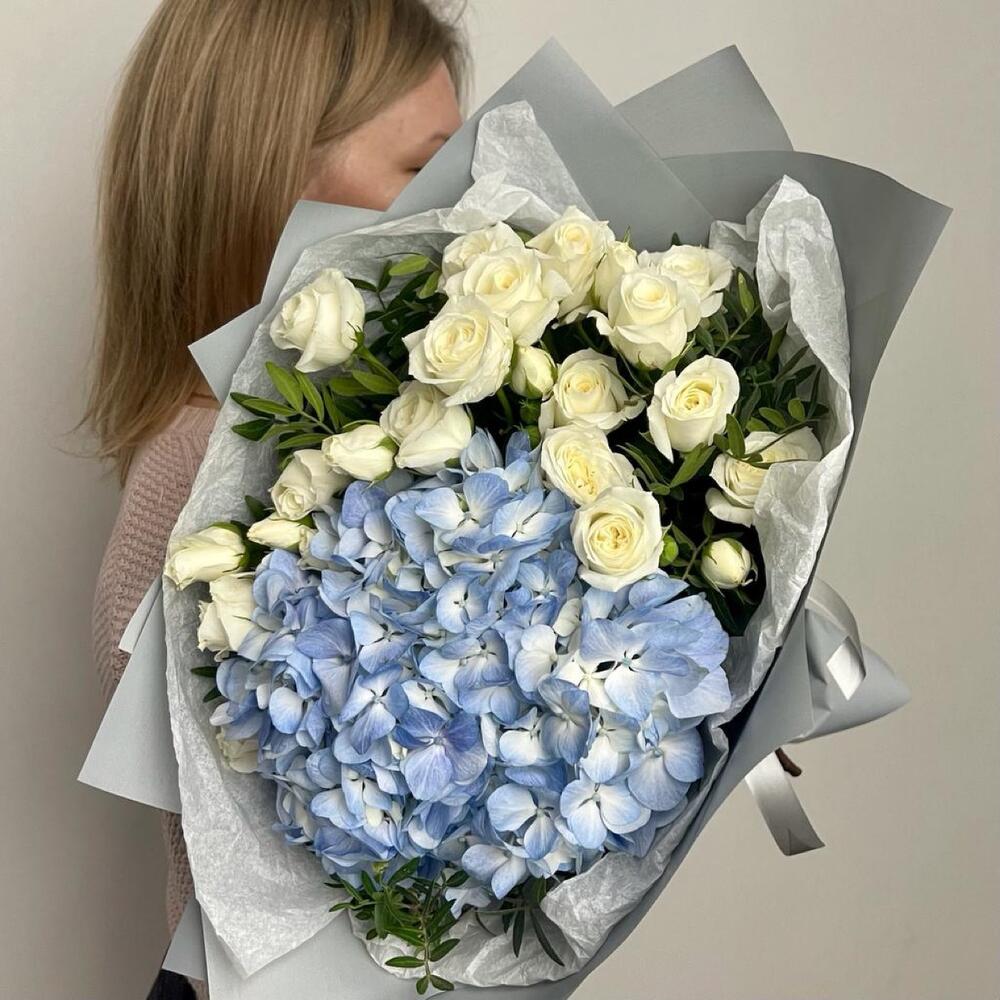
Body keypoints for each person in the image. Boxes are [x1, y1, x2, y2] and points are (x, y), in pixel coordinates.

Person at [83, 2, 465, 996]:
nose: (474, 201)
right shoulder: (205, 477)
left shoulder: (346, 439)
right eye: (428, 168)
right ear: (274, 179)